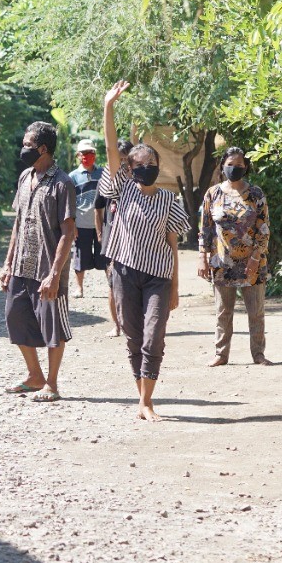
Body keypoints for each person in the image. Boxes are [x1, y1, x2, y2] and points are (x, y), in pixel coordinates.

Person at [98, 81, 190, 422]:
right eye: (140, 164)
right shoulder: (122, 191)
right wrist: (109, 107)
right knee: (134, 336)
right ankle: (142, 398)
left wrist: (176, 287)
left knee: (154, 335)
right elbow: (110, 151)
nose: (147, 166)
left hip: (158, 278)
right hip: (123, 272)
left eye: (152, 161)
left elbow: (173, 243)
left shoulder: (169, 201)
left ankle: (147, 401)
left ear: (158, 165)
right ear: (131, 170)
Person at [0, 120, 76, 403]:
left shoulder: (62, 183)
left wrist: (55, 274)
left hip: (47, 269)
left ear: (43, 148)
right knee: (15, 317)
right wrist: (8, 264)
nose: (23, 149)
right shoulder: (24, 177)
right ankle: (34, 376)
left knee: (52, 326)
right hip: (22, 264)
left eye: (27, 145)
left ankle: (52, 385)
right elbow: (18, 223)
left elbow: (68, 232)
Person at [199, 146, 273, 367]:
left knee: (256, 311)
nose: (234, 168)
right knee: (223, 312)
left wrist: (255, 258)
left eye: (239, 165)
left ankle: (258, 354)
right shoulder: (212, 194)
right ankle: (221, 354)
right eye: (230, 164)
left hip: (253, 263)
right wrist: (202, 256)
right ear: (223, 166)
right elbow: (205, 228)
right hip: (223, 262)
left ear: (246, 167)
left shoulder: (256, 194)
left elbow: (264, 228)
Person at [95, 139, 133, 337]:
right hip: (111, 240)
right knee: (112, 283)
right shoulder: (108, 178)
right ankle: (117, 325)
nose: (123, 163)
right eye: (119, 159)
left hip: (133, 240)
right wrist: (101, 234)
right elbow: (98, 207)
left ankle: (132, 324)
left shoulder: (139, 178)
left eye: (126, 159)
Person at [69, 139, 106, 299]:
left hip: (102, 224)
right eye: (84, 153)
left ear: (95, 154)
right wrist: (72, 225)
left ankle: (112, 285)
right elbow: (70, 203)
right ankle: (79, 288)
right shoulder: (73, 177)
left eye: (90, 153)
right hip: (81, 223)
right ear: (78, 155)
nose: (87, 156)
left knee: (105, 256)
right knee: (80, 257)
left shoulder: (103, 173)